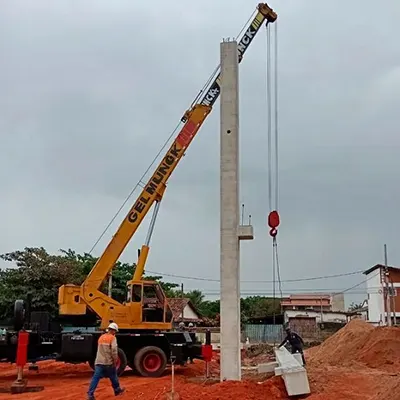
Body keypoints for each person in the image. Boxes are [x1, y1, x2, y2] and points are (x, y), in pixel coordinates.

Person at [87, 322, 125, 400]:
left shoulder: (101, 337)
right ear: (113, 330)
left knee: (95, 378)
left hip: (99, 362)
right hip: (108, 362)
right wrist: (115, 360)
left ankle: (90, 394)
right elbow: (114, 351)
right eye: (115, 331)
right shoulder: (112, 338)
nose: (115, 333)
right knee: (113, 376)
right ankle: (117, 390)